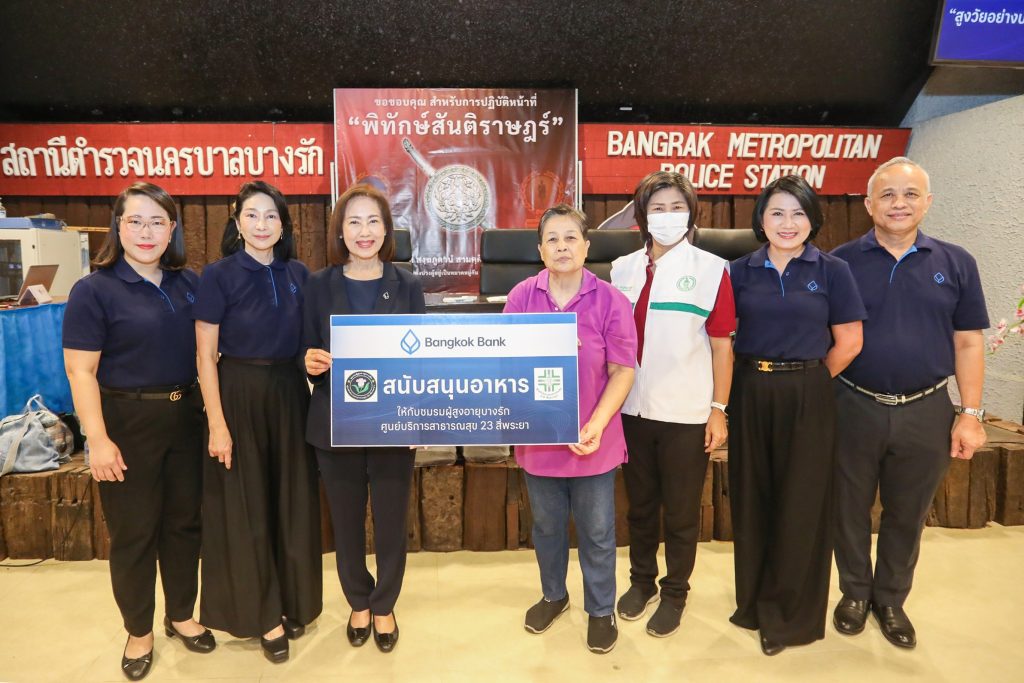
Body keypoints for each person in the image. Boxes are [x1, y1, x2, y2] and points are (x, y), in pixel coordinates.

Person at [831, 157, 988, 649]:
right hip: (852, 404)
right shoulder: (839, 263)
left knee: (908, 512)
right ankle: (855, 593)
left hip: (926, 409)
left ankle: (891, 599)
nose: (899, 204)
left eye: (910, 194)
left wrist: (970, 414)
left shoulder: (956, 263)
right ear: (868, 204)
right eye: (888, 195)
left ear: (927, 202)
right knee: (847, 508)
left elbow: (969, 342)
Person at [62, 182, 215, 681]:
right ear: (118, 226)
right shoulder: (94, 290)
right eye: (135, 221)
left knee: (183, 525)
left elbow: (208, 352)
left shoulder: (189, 283)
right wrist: (97, 439)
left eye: (157, 222)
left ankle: (181, 615)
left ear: (172, 230)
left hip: (186, 418)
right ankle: (139, 631)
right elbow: (80, 371)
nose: (146, 232)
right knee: (133, 534)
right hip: (126, 425)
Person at [728, 175, 865, 656]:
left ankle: (787, 616)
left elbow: (850, 342)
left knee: (801, 504)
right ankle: (752, 603)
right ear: (761, 219)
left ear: (813, 219)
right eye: (777, 213)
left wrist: (806, 379)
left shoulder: (833, 270)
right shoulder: (738, 271)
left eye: (798, 213)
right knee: (752, 498)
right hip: (749, 389)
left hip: (809, 391)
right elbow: (722, 338)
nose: (788, 223)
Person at [193, 181, 322, 663]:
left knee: (291, 501)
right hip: (238, 393)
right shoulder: (218, 275)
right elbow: (205, 356)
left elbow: (309, 342)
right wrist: (216, 423)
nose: (262, 224)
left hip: (290, 394)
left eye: (271, 216)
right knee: (246, 507)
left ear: (284, 225)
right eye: (252, 215)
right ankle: (263, 616)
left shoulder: (299, 273)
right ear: (237, 221)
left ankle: (293, 602)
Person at [504, 204, 636, 654]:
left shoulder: (611, 301)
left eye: (570, 238)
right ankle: (553, 596)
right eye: (552, 239)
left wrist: (594, 426)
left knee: (598, 533)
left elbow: (622, 371)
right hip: (541, 440)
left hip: (594, 440)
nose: (562, 247)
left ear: (586, 246)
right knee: (547, 528)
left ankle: (600, 610)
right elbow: (505, 365)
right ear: (540, 250)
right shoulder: (522, 297)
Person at [610, 171, 735, 638]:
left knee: (681, 513)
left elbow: (722, 347)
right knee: (640, 508)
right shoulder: (621, 268)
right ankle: (641, 581)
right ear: (643, 216)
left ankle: (675, 592)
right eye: (657, 208)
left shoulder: (712, 269)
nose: (667, 216)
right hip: (631, 410)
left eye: (676, 207)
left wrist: (718, 408)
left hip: (686, 413)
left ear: (691, 213)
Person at [302, 184, 424, 654]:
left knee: (391, 521)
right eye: (353, 222)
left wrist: (418, 422)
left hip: (393, 422)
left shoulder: (407, 285)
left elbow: (421, 361)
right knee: (347, 521)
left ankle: (385, 603)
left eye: (373, 221)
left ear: (387, 230)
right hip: (336, 423)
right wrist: (308, 362)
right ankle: (358, 600)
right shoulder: (318, 285)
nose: (364, 231)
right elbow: (302, 348)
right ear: (340, 231)